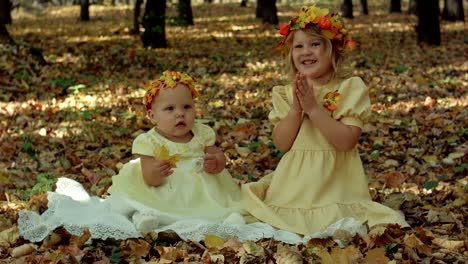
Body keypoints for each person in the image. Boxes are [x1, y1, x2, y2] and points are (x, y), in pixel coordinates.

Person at [241, 5, 409, 235]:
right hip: (294, 186)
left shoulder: (348, 88)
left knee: (343, 224)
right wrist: (296, 111)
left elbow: (347, 141)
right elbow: (282, 144)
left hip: (336, 185)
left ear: (334, 50)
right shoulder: (286, 93)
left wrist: (314, 108)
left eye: (315, 44)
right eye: (298, 46)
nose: (306, 51)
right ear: (290, 54)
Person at [107, 70, 241, 223]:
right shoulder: (149, 142)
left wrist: (216, 162)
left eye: (187, 107)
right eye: (170, 108)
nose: (180, 113)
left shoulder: (202, 134)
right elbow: (150, 179)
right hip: (166, 188)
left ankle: (226, 218)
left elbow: (219, 158)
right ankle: (144, 217)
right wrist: (157, 173)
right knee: (147, 204)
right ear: (152, 116)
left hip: (201, 191)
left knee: (217, 208)